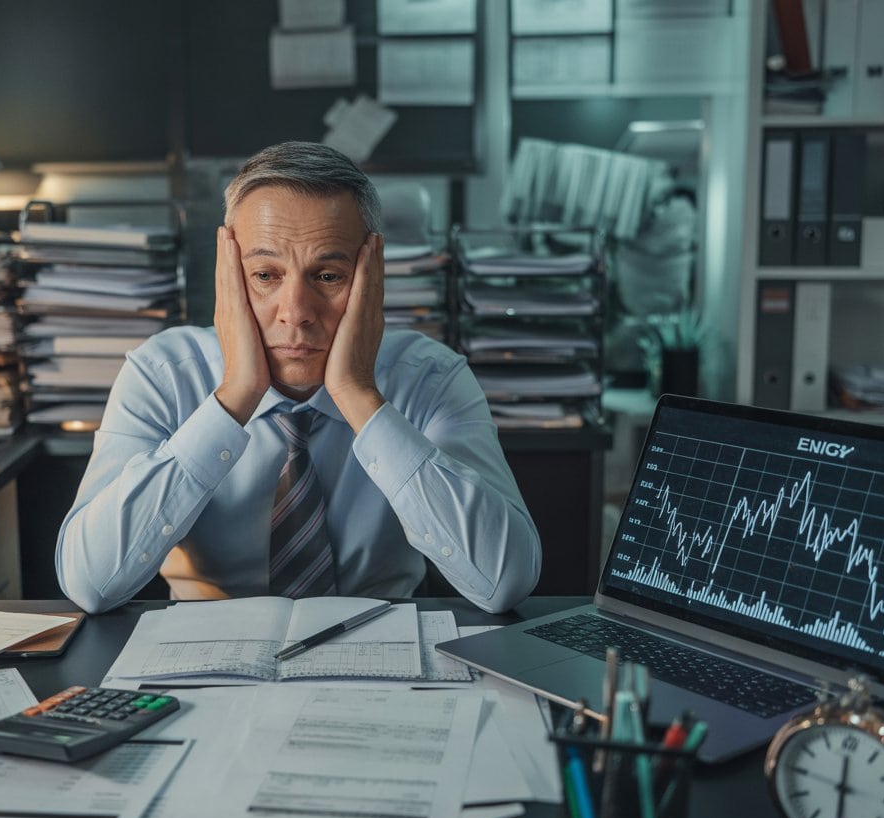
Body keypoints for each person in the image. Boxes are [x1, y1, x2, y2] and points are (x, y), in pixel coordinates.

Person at [56, 141, 541, 614]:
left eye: (328, 276)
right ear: (229, 273)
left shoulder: (431, 376)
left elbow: (504, 582)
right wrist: (233, 398)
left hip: (379, 655)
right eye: (266, 275)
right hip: (200, 663)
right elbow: (90, 583)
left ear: (372, 275)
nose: (296, 313)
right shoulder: (162, 373)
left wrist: (358, 395)